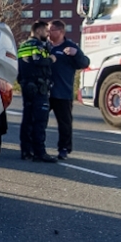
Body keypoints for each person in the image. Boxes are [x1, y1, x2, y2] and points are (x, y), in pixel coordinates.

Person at [48, 20, 89, 160]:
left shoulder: (69, 47)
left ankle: (64, 148)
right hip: (44, 91)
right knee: (37, 120)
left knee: (64, 123)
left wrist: (75, 53)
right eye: (48, 29)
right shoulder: (45, 46)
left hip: (62, 92)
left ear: (61, 32)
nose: (49, 32)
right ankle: (35, 147)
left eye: (52, 30)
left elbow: (84, 63)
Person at [17, 21, 58, 163]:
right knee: (40, 120)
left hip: (26, 87)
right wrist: (51, 59)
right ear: (39, 31)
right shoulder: (37, 46)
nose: (48, 34)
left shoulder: (22, 45)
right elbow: (39, 61)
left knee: (27, 119)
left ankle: (26, 151)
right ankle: (39, 152)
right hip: (38, 87)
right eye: (46, 31)